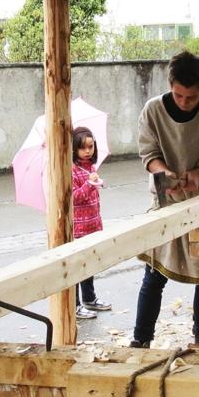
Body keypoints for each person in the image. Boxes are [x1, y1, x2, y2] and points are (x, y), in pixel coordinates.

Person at [130, 51, 199, 348]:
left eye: (191, 97)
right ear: (170, 84)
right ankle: (141, 340)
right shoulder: (153, 111)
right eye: (178, 95)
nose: (183, 102)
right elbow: (148, 155)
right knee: (154, 274)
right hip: (168, 203)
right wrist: (166, 172)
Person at [70, 126, 112, 320]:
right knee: (77, 266)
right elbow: (75, 198)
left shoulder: (89, 167)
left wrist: (96, 182)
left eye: (91, 146)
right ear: (74, 149)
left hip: (93, 224)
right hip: (79, 227)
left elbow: (91, 195)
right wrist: (88, 183)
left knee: (89, 264)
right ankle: (75, 304)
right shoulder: (71, 170)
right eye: (83, 148)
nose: (88, 151)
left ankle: (89, 298)